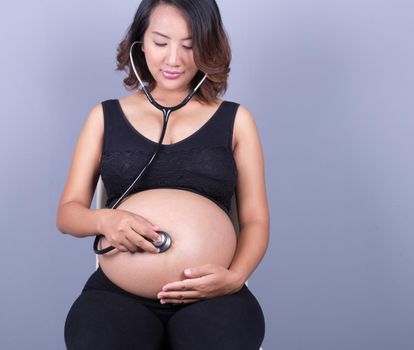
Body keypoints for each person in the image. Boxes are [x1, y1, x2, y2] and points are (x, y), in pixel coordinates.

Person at [55, 1, 269, 349]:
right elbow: (68, 213)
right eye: (161, 42)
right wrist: (105, 221)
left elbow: (256, 220)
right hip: (119, 293)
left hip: (212, 294)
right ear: (140, 42)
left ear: (209, 45)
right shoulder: (104, 117)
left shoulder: (237, 120)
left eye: (189, 45)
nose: (174, 59)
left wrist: (234, 278)